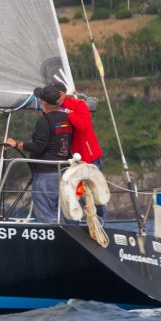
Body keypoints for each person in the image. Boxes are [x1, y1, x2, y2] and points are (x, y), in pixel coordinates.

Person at [6, 85, 73, 224]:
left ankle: (52, 236)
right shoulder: (67, 118)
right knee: (61, 214)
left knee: (45, 215)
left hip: (46, 174)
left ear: (44, 102)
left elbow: (38, 147)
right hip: (64, 172)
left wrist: (16, 144)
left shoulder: (45, 121)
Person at [51, 81, 107, 220]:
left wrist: (68, 113)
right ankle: (78, 223)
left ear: (62, 94)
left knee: (96, 194)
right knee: (76, 194)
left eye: (54, 94)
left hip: (90, 156)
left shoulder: (78, 104)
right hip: (72, 160)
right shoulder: (53, 110)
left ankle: (101, 223)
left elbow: (82, 125)